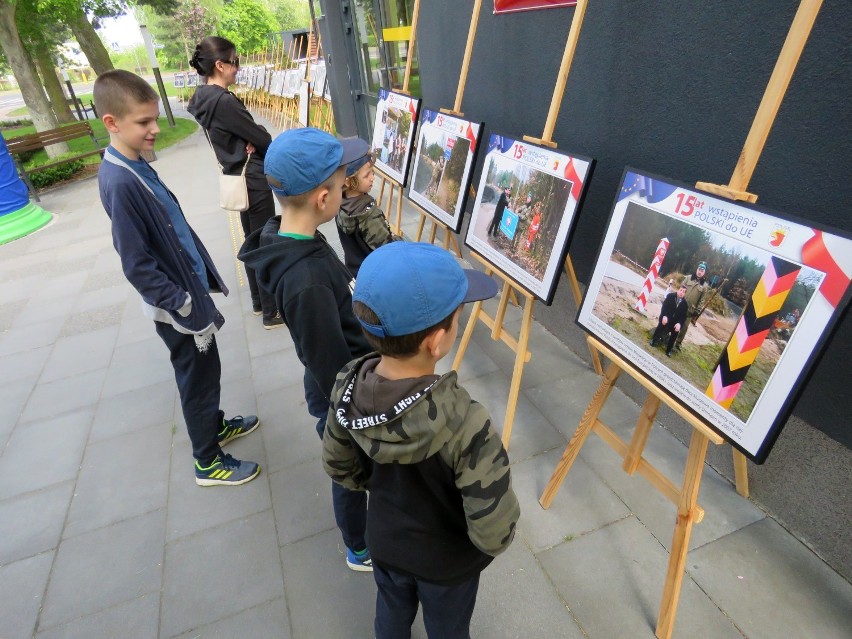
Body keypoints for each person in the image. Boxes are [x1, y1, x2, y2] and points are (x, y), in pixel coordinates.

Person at [322, 242, 520, 639]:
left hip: (386, 544)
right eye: (457, 316)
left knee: (391, 618)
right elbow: (494, 530)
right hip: (447, 565)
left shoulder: (347, 385)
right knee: (448, 629)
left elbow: (340, 467)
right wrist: (472, 553)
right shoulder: (466, 420)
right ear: (436, 342)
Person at [94, 70, 260, 486]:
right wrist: (182, 303)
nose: (153, 129)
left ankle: (214, 426)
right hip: (176, 306)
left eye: (154, 119)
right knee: (197, 379)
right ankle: (207, 460)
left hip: (185, 292)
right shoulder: (119, 180)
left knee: (209, 368)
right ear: (111, 122)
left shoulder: (132, 163)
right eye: (143, 123)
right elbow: (135, 263)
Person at [238, 128, 373, 570]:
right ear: (322, 197)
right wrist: (359, 409)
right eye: (340, 183)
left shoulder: (294, 236)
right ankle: (359, 544)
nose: (344, 188)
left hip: (342, 376)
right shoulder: (305, 279)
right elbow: (328, 361)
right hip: (343, 394)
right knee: (350, 469)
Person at [187, 36, 283, 330]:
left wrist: (251, 136)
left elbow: (248, 134)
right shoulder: (223, 101)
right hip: (250, 175)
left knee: (253, 239)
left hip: (236, 174)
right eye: (234, 62)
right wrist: (256, 135)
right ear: (219, 65)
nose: (238, 68)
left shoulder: (203, 98)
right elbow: (263, 139)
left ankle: (258, 301)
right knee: (264, 241)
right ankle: (271, 311)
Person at [336, 143, 397, 278]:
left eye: (372, 172)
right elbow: (388, 250)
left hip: (355, 272)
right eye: (367, 175)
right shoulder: (369, 214)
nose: (372, 177)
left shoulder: (338, 204)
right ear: (348, 181)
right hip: (377, 276)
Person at [674, 261, 710, 349]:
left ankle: (678, 344)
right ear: (697, 269)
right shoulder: (688, 278)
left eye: (702, 270)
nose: (700, 271)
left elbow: (702, 300)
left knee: (684, 328)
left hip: (690, 310)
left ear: (704, 272)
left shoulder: (704, 286)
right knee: (673, 322)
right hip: (680, 305)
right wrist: (677, 299)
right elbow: (681, 289)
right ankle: (666, 337)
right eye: (699, 269)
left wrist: (697, 311)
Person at [650, 283, 689, 357]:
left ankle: (669, 350)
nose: (681, 293)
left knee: (675, 332)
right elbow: (664, 308)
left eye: (684, 292)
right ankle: (654, 340)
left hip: (674, 323)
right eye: (681, 290)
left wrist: (679, 324)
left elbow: (683, 317)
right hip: (666, 318)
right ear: (678, 290)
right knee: (661, 324)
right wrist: (664, 316)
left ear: (685, 294)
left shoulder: (685, 304)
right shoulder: (670, 296)